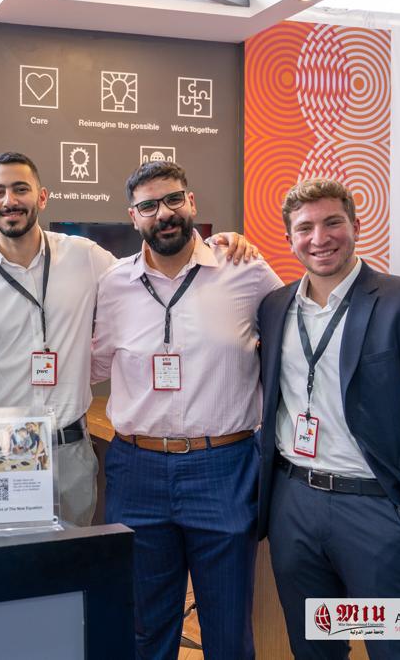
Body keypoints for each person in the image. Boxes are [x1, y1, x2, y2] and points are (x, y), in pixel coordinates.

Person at [0, 152, 257, 527]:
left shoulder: (84, 256)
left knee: (72, 558)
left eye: (20, 189)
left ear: (42, 197)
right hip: (5, 444)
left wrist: (217, 245)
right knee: (8, 556)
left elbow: (150, 273)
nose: (10, 200)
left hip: (69, 445)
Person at [257, 178, 400, 660]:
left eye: (332, 223)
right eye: (305, 228)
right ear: (289, 238)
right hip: (294, 505)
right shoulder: (275, 307)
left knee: (398, 652)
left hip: (379, 511)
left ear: (356, 226)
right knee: (314, 651)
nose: (320, 238)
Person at [92, 161, 282, 659]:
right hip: (137, 469)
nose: (164, 213)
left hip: (223, 467)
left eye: (173, 199)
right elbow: (93, 363)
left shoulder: (244, 270)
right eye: (149, 206)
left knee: (228, 628)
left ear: (191, 202)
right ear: (134, 217)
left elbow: (291, 345)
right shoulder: (113, 284)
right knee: (145, 628)